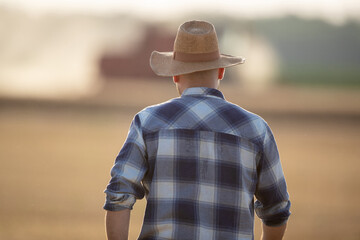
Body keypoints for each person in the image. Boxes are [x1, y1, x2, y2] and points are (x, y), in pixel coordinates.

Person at [104, 20, 291, 240]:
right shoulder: (256, 129)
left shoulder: (148, 122)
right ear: (221, 71)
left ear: (174, 74)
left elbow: (118, 195)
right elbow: (277, 209)